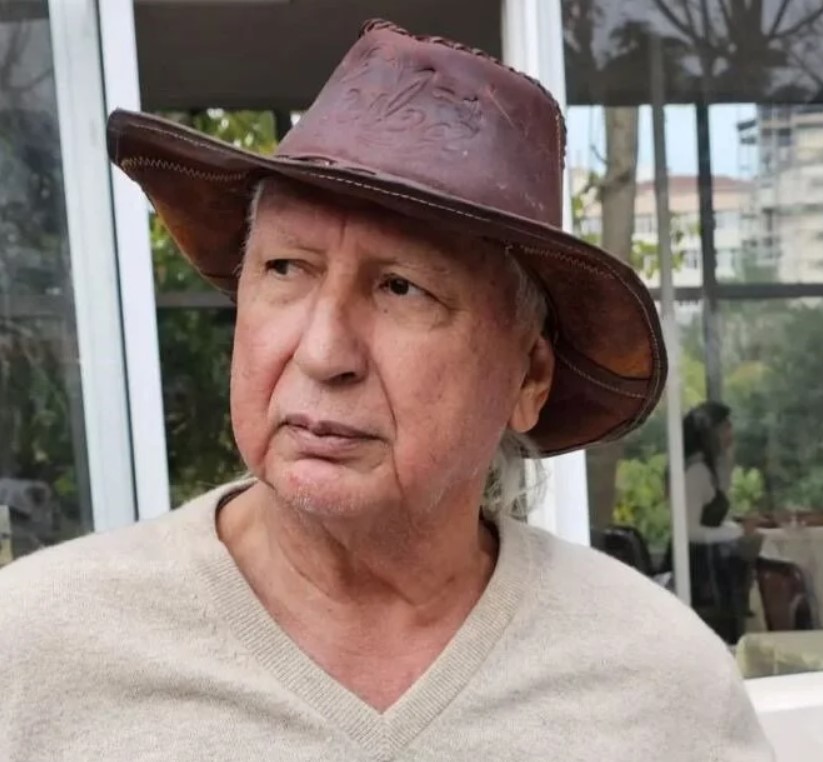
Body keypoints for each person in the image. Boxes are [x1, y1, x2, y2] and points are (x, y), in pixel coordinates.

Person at [0, 20, 771, 761]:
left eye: (402, 288)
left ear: (528, 378)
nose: (322, 352)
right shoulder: (39, 650)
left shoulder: (657, 681)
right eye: (284, 269)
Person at [682, 401, 744, 544]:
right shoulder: (696, 473)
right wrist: (738, 532)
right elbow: (689, 532)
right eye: (726, 427)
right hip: (694, 557)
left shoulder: (712, 470)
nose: (731, 434)